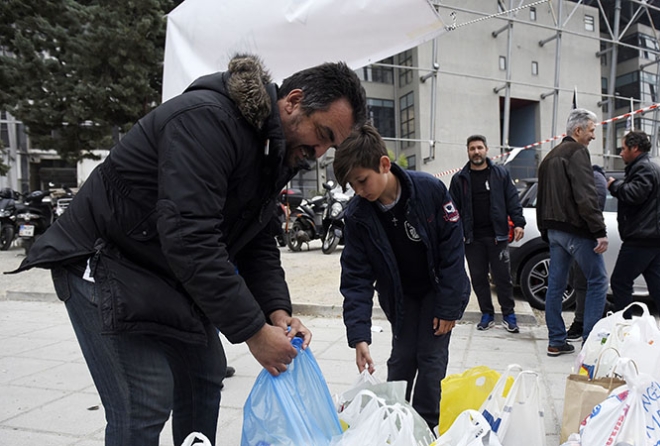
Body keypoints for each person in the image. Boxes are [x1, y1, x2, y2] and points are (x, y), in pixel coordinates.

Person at [10, 54, 367, 445]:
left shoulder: (270, 154)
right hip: (104, 258)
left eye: (329, 148)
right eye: (323, 135)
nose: (318, 153)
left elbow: (257, 244)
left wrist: (276, 313)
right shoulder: (207, 120)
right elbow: (190, 236)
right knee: (145, 398)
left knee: (205, 374)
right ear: (293, 101)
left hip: (159, 268)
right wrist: (253, 332)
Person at [333, 124, 470, 429]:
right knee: (402, 358)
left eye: (361, 181)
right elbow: (355, 277)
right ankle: (395, 422)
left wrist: (448, 307)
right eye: (352, 186)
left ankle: (424, 426)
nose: (358, 191)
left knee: (431, 360)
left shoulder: (429, 189)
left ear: (384, 164)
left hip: (437, 290)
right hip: (401, 296)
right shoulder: (358, 215)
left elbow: (452, 249)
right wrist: (359, 336)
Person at [536, 108, 608, 356]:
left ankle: (556, 340)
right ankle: (589, 342)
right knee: (598, 281)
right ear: (578, 131)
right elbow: (586, 195)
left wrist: (546, 230)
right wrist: (599, 230)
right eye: (591, 131)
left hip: (554, 231)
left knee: (556, 286)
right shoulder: (578, 152)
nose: (593, 137)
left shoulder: (549, 157)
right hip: (576, 230)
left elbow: (541, 198)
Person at [449, 134, 526, 333]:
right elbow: (452, 208)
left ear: (486, 149)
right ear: (468, 151)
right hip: (472, 238)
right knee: (478, 278)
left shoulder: (500, 174)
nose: (476, 152)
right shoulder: (459, 179)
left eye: (479, 148)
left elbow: (512, 200)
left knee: (503, 278)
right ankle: (487, 314)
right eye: (472, 148)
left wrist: (518, 223)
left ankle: (509, 314)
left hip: (497, 236)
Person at [607, 130, 660, 328]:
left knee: (620, 282)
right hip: (654, 236)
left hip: (642, 237)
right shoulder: (651, 167)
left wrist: (615, 186)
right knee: (658, 286)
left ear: (634, 148)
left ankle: (622, 328)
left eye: (623, 148)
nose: (621, 153)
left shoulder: (643, 168)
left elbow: (635, 194)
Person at [566, 164, 608, 341]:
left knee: (591, 282)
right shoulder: (581, 175)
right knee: (579, 281)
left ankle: (587, 329)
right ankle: (584, 324)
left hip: (586, 235)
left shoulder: (595, 177)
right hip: (577, 235)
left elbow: (594, 206)